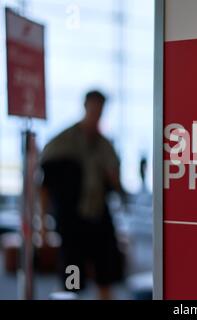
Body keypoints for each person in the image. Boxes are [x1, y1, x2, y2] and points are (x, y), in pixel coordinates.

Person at [39, 90, 126, 300]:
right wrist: (42, 224)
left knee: (106, 276)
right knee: (73, 280)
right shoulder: (62, 143)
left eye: (101, 108)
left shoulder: (105, 146)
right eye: (94, 107)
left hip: (99, 221)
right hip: (72, 224)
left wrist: (113, 178)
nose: (97, 112)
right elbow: (45, 186)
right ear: (86, 106)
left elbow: (116, 185)